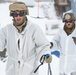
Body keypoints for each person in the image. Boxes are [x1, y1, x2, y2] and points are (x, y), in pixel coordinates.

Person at [0, 2, 52, 75]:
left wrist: (45, 55)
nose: (18, 17)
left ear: (25, 14)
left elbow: (43, 46)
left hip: (30, 70)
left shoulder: (34, 29)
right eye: (15, 14)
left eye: (20, 14)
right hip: (12, 70)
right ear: (12, 15)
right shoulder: (6, 30)